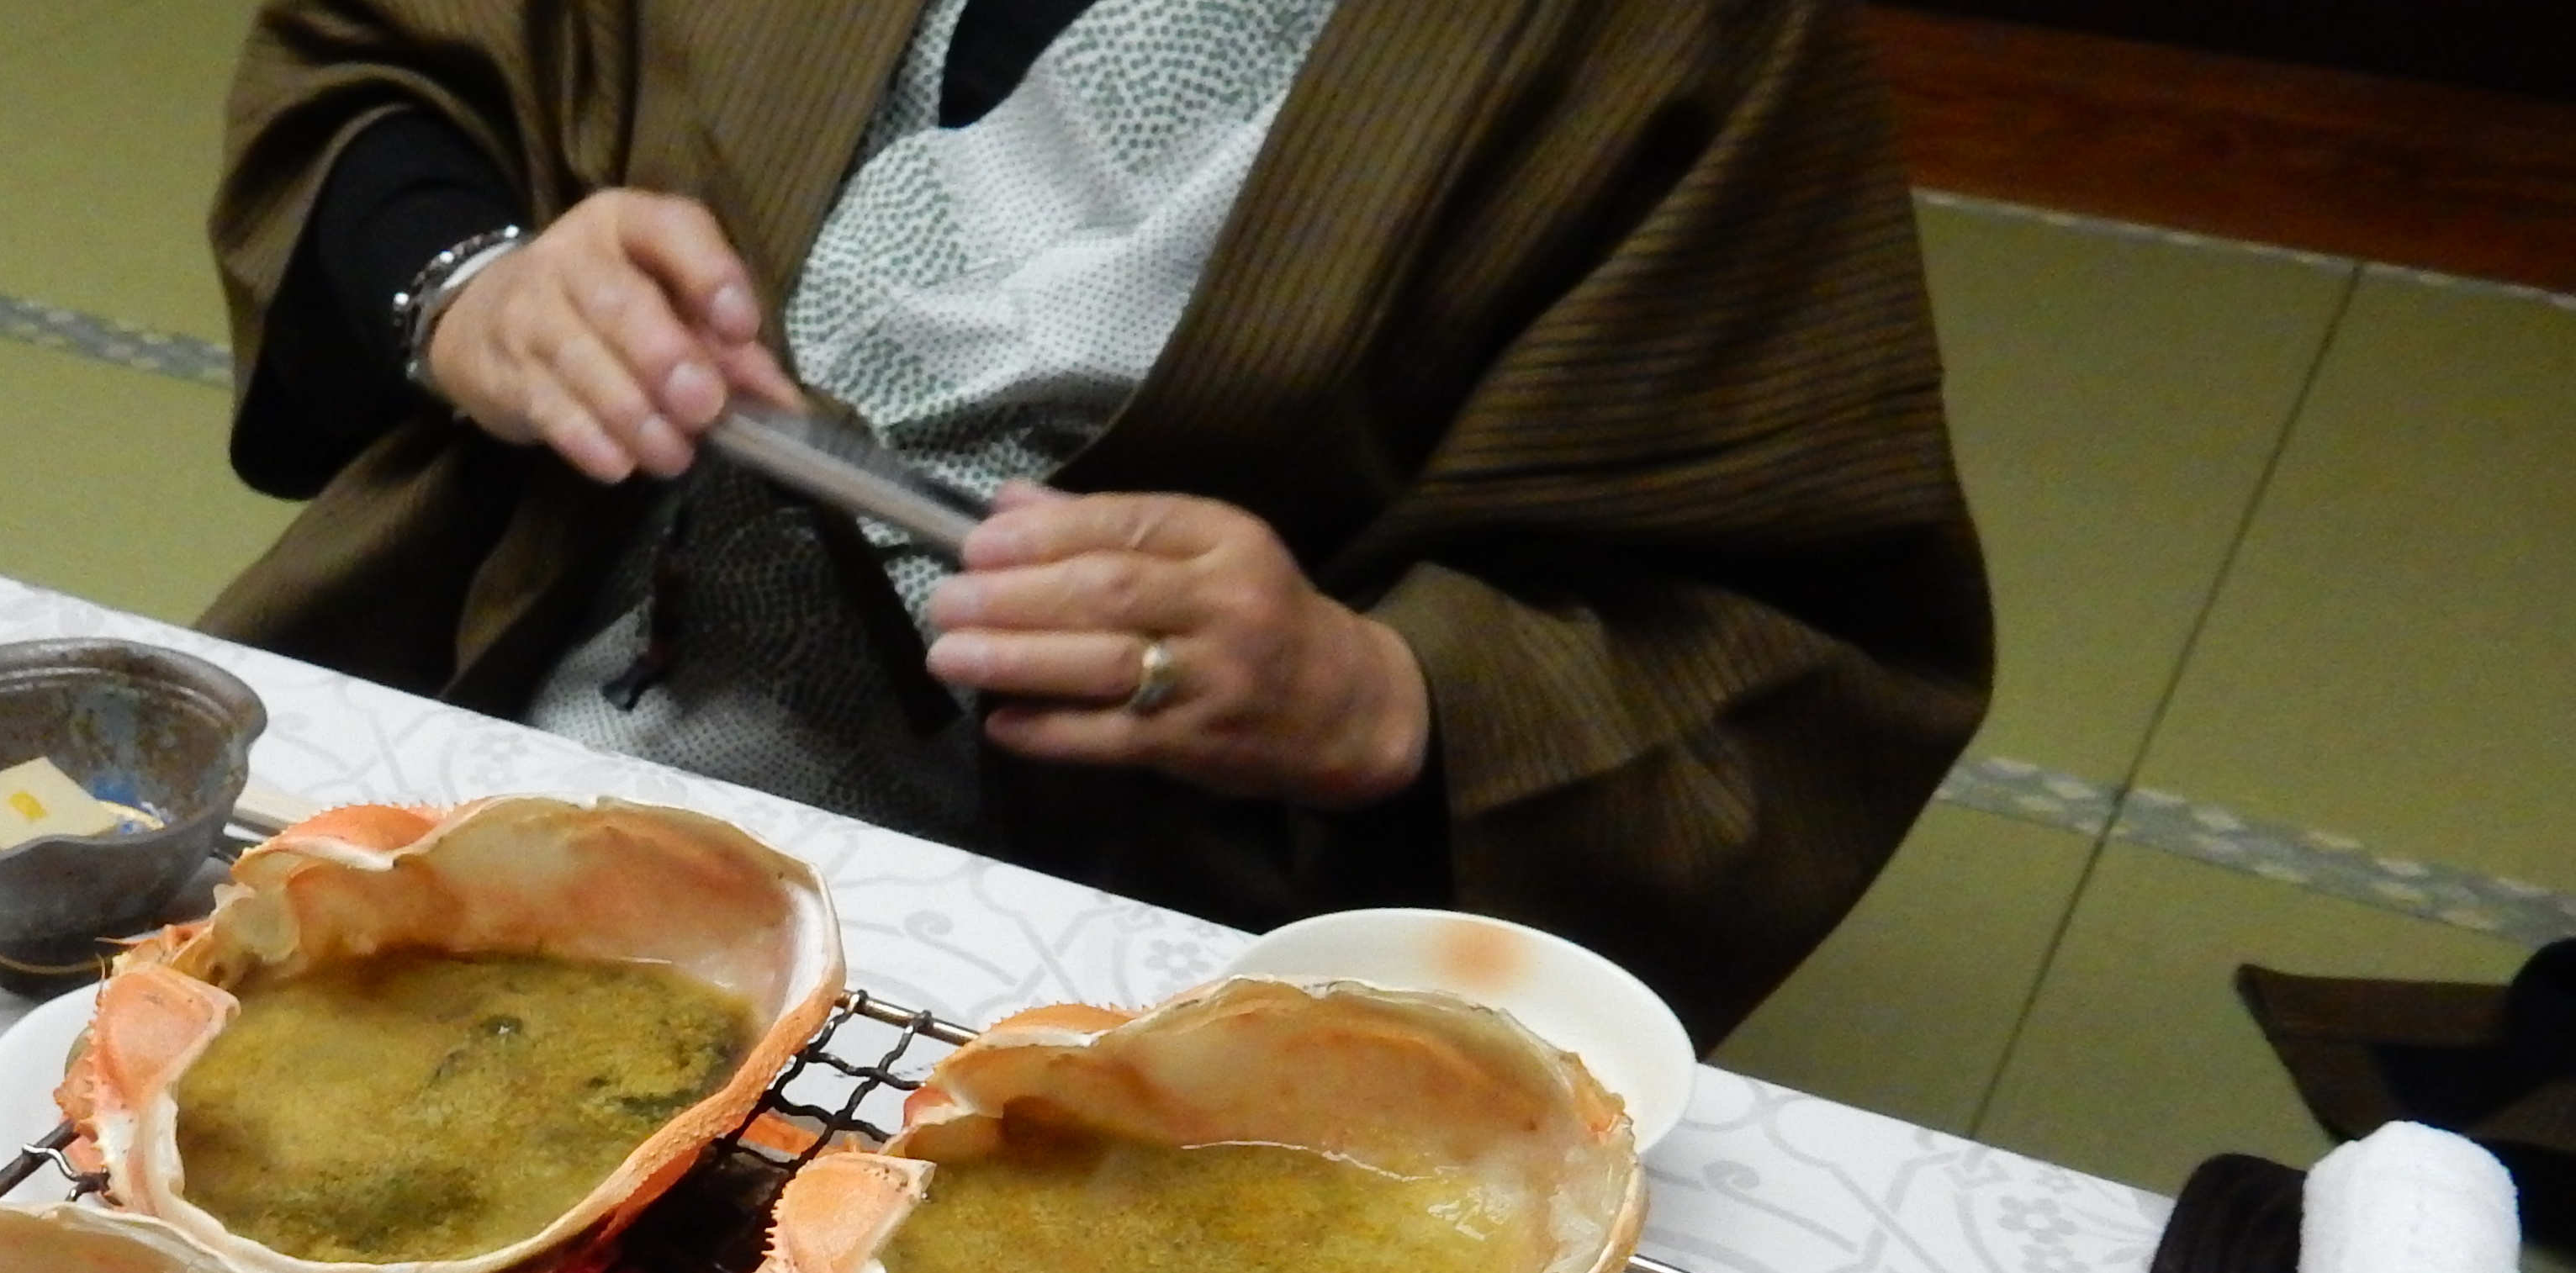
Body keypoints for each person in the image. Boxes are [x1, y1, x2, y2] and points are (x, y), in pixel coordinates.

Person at [205, 0, 1995, 1044]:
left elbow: (1795, 624)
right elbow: (376, 67)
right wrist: (472, 286)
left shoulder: (1682, 39)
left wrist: (1377, 696)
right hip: (496, 694)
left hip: (1100, 949)